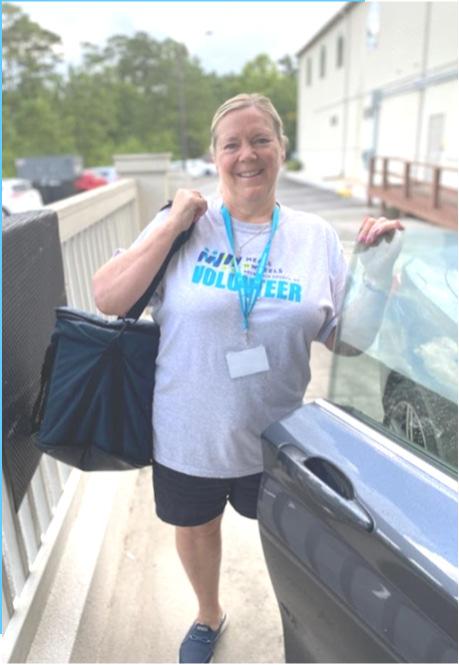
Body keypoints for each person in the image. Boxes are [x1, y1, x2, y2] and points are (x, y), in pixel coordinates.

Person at [93, 93, 403, 663]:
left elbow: (345, 340)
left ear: (281, 148)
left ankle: (307, 626)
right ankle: (208, 613)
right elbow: (109, 297)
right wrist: (173, 223)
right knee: (197, 529)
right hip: (190, 434)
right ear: (214, 156)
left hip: (279, 440)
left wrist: (377, 275)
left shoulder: (314, 237)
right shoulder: (185, 224)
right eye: (231, 144)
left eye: (260, 139)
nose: (247, 155)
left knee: (295, 542)